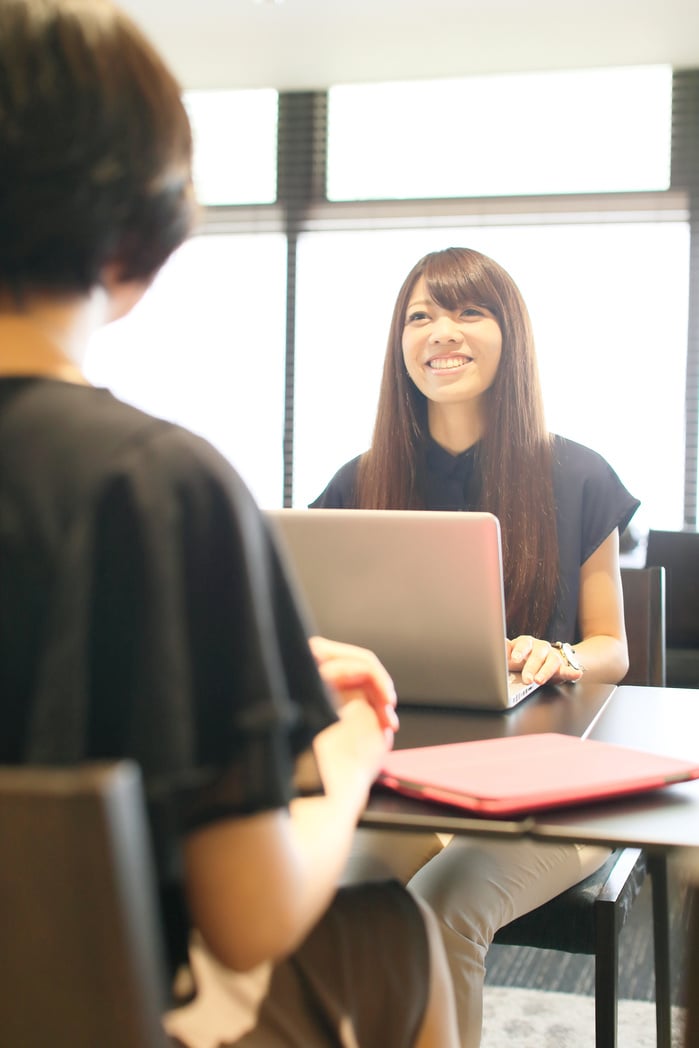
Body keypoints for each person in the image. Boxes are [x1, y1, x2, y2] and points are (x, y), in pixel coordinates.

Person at [0, 3, 460, 1045]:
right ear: (142, 236)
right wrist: (345, 750)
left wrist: (244, 668)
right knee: (390, 928)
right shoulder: (160, 485)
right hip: (82, 1016)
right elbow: (249, 915)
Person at [312, 245, 640, 1046]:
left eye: (466, 311)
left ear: (508, 334)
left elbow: (611, 648)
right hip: (414, 779)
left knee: (441, 906)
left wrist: (560, 656)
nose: (439, 332)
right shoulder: (361, 480)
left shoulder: (576, 473)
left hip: (558, 784)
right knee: (324, 895)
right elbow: (304, 615)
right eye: (419, 315)